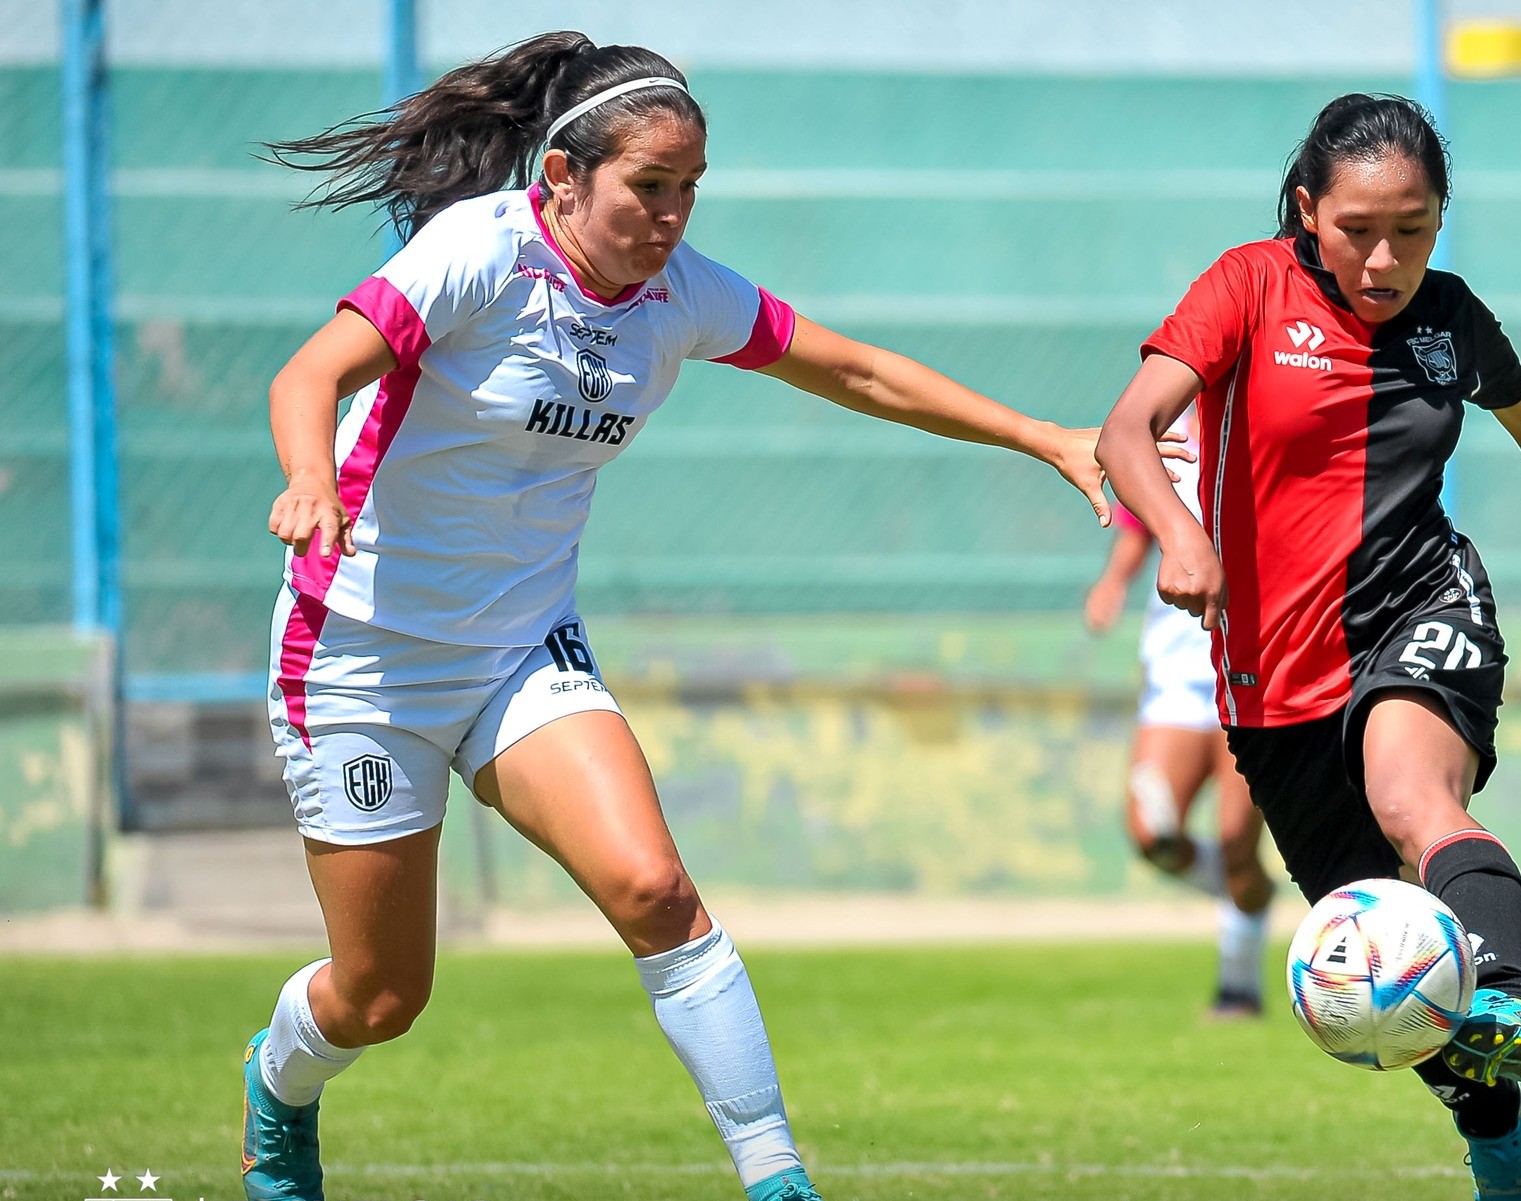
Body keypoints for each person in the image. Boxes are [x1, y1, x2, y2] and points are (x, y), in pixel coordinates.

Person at [246, 32, 1136, 1201]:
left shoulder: (678, 293)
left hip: (520, 653)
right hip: (359, 655)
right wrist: (310, 475)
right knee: (379, 997)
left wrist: (1042, 436)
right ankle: (279, 1090)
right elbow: (307, 376)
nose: (670, 217)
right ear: (561, 178)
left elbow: (857, 370)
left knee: (659, 892)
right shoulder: (478, 253)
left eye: (688, 190)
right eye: (646, 189)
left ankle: (775, 1180)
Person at [1094, 93, 1521, 1200]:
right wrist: (1177, 533)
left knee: (1417, 802)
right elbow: (1125, 428)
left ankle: (1503, 984)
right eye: (1357, 228)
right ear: (1306, 210)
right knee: (1405, 990)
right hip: (1272, 680)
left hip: (1421, 600)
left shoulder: (1449, 319)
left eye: (1411, 229)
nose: (1383, 258)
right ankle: (1502, 1154)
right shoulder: (1245, 286)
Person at [1084, 409, 1274, 1017]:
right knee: (1151, 833)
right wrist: (1114, 581)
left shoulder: (1276, 422)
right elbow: (1141, 519)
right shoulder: (1170, 428)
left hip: (1256, 663)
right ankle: (1249, 889)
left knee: (1234, 836)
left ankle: (1238, 985)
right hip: (1179, 669)